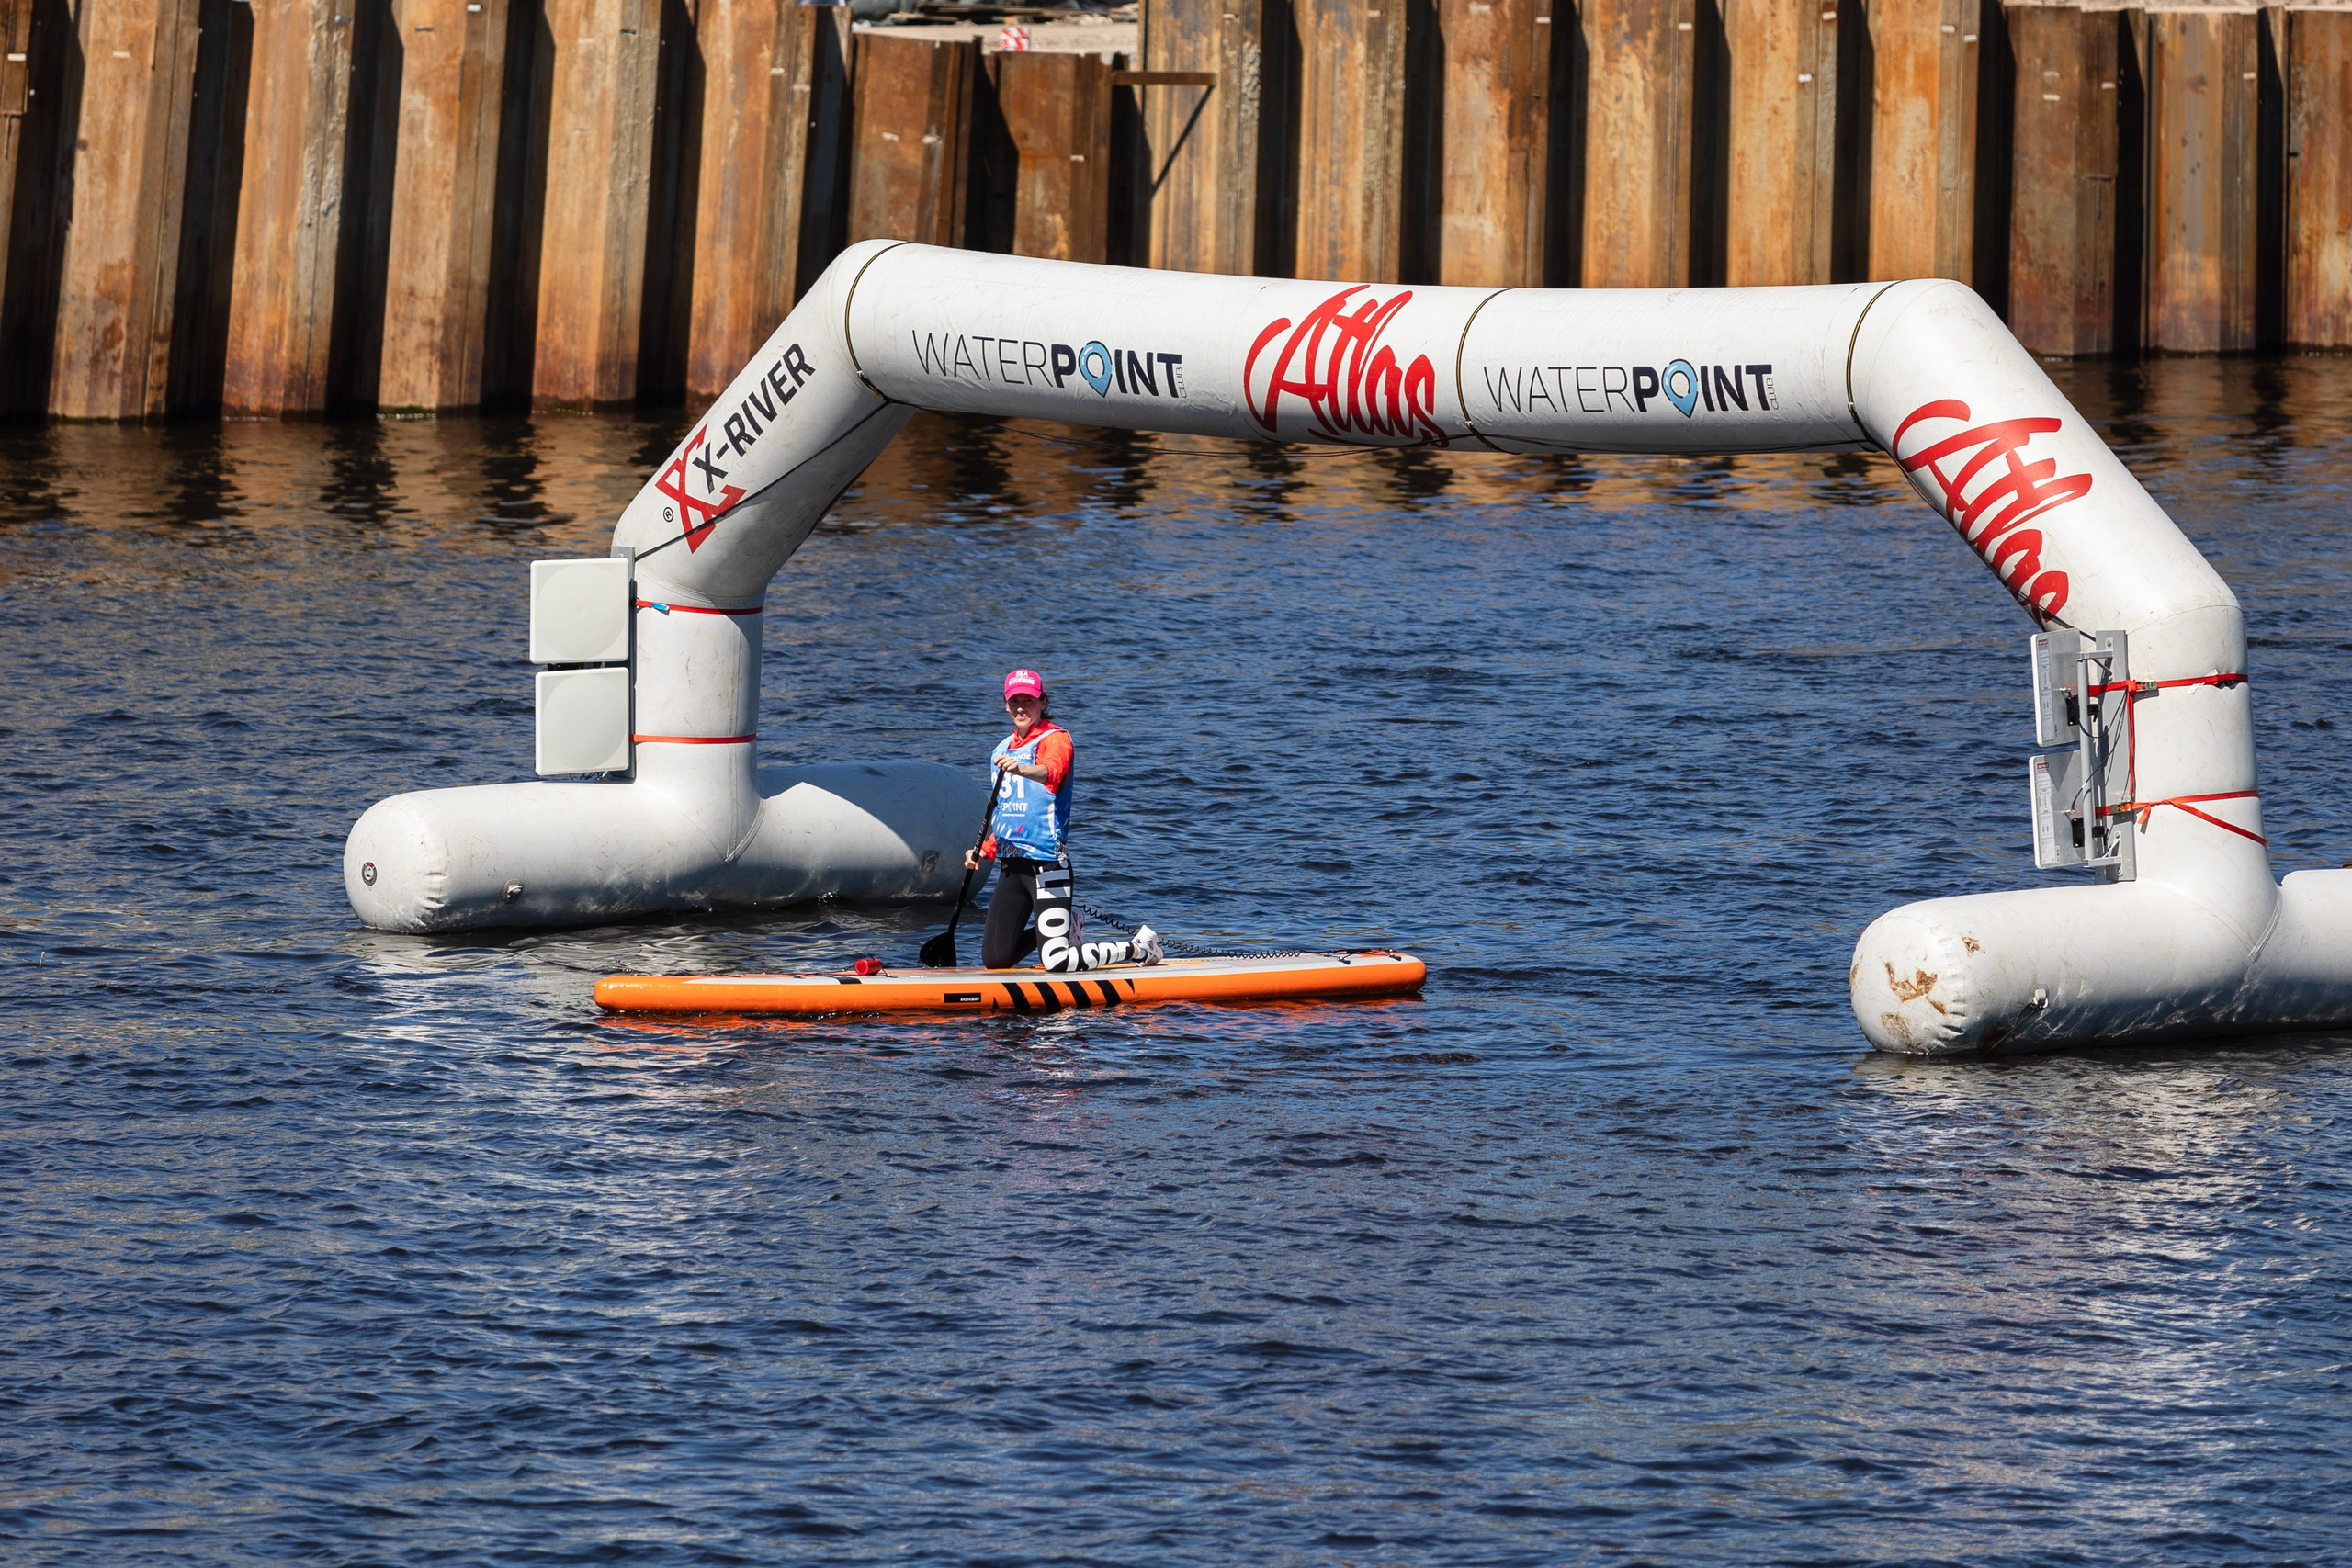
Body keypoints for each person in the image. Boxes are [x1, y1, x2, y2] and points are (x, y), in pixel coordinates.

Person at [966, 669, 1161, 972]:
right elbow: (1008, 810)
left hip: (1048, 867)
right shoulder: (1000, 750)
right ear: (1005, 705)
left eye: (1028, 700)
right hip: (1011, 868)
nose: (1021, 707)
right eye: (1014, 700)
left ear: (1042, 702)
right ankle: (1068, 926)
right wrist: (984, 850)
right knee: (995, 959)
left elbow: (1050, 773)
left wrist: (1022, 768)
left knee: (1056, 961)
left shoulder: (1056, 739)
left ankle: (1139, 948)